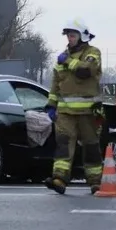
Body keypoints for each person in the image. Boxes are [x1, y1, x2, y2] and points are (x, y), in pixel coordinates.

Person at [44, 19, 103, 195]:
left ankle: (95, 182)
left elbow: (86, 71)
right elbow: (56, 84)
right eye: (68, 35)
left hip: (88, 111)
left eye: (73, 35)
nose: (69, 38)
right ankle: (59, 179)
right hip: (65, 112)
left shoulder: (93, 53)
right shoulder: (61, 57)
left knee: (91, 146)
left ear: (82, 36)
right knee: (63, 144)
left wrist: (68, 61)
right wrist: (51, 105)